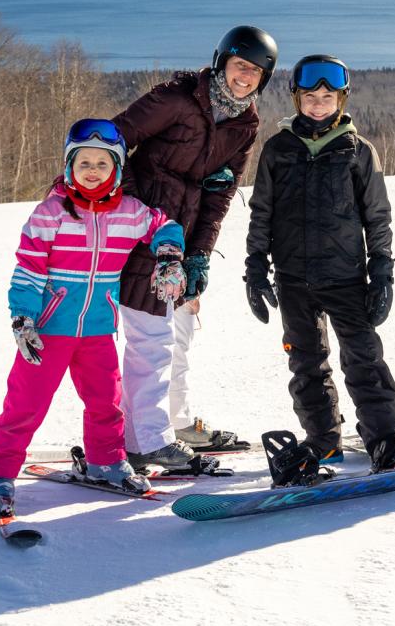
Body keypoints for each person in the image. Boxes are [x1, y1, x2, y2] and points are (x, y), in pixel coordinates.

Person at [0, 119, 187, 513]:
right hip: (49, 331)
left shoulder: (130, 212)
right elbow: (27, 272)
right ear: (69, 166)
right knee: (26, 404)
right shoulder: (51, 213)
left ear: (117, 170)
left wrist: (169, 258)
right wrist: (23, 318)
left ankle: (106, 461)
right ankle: (0, 473)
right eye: (84, 163)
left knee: (106, 402)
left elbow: (165, 227)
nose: (93, 171)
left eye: (103, 164)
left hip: (97, 330)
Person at [244, 54, 395, 477]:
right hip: (293, 277)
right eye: (310, 96)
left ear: (341, 100)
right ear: (297, 98)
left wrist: (382, 271)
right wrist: (255, 266)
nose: (318, 104)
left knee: (364, 358)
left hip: (346, 276)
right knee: (306, 362)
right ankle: (323, 441)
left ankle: (385, 438)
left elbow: (377, 217)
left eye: (328, 96)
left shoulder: (358, 151)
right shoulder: (278, 149)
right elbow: (262, 211)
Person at [111, 26, 275, 467]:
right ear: (222, 60)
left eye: (256, 72)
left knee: (177, 329)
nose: (245, 77)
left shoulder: (245, 122)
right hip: (136, 230)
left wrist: (200, 253)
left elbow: (220, 194)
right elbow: (110, 140)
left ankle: (167, 423)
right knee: (150, 337)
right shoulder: (177, 99)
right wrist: (129, 203)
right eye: (241, 65)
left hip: (176, 240)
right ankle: (143, 440)